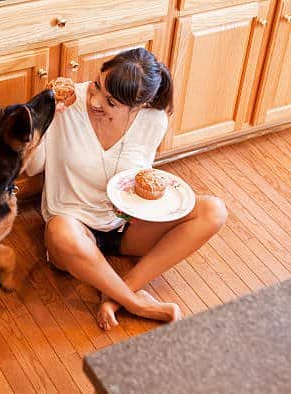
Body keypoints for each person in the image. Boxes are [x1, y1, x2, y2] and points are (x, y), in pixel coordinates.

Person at [26, 48, 227, 330]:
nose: (95, 100)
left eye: (110, 102)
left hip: (123, 225)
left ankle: (116, 295)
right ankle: (136, 303)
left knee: (213, 210)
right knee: (60, 233)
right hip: (72, 227)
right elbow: (33, 167)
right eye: (97, 84)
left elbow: (137, 178)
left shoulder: (154, 120)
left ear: (140, 105)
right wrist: (42, 119)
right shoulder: (66, 105)